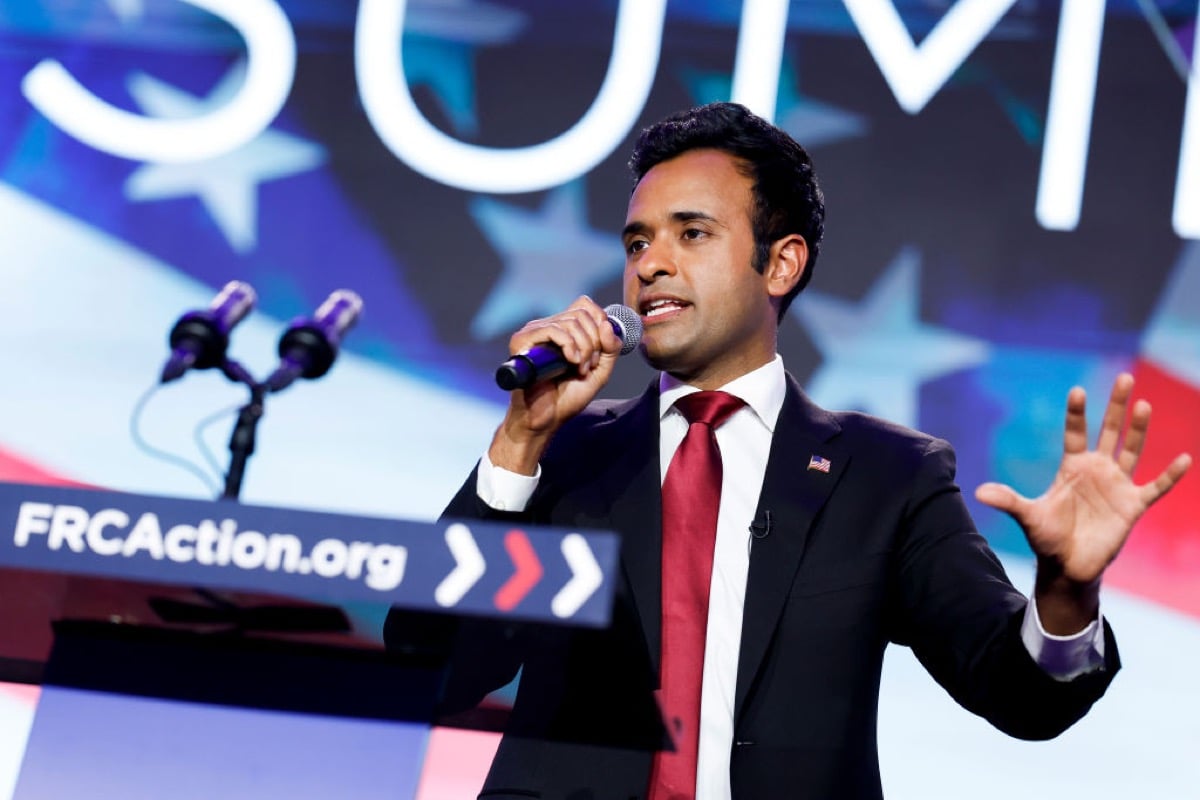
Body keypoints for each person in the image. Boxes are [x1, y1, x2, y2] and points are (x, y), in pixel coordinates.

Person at [388, 102, 1192, 799]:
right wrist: (519, 440)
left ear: (781, 263)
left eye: (690, 234)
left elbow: (1022, 698)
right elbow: (430, 666)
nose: (649, 266)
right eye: (637, 243)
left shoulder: (886, 478)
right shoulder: (565, 456)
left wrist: (1064, 592)